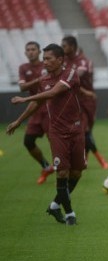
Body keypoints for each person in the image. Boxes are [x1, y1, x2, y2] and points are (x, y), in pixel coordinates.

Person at [7, 43, 86, 225]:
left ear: (60, 59)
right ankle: (70, 214)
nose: (45, 62)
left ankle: (54, 205)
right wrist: (18, 121)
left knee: (77, 173)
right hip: (57, 133)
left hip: (76, 130)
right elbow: (37, 103)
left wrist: (25, 97)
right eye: (44, 59)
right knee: (62, 172)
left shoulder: (70, 74)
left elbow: (53, 92)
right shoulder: (43, 80)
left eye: (49, 59)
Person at [61, 35, 108, 169]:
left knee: (86, 132)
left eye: (64, 46)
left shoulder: (83, 61)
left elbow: (75, 78)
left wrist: (85, 92)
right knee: (83, 131)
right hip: (73, 101)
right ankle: (100, 160)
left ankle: (85, 159)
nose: (62, 48)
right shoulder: (63, 61)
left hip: (87, 101)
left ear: (72, 47)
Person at [18, 41, 54, 184]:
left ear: (39, 52)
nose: (31, 51)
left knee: (55, 142)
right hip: (35, 110)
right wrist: (38, 80)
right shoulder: (23, 68)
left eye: (33, 49)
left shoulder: (47, 65)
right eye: (28, 49)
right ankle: (46, 166)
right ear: (25, 53)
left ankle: (63, 171)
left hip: (49, 109)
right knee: (28, 141)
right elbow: (22, 88)